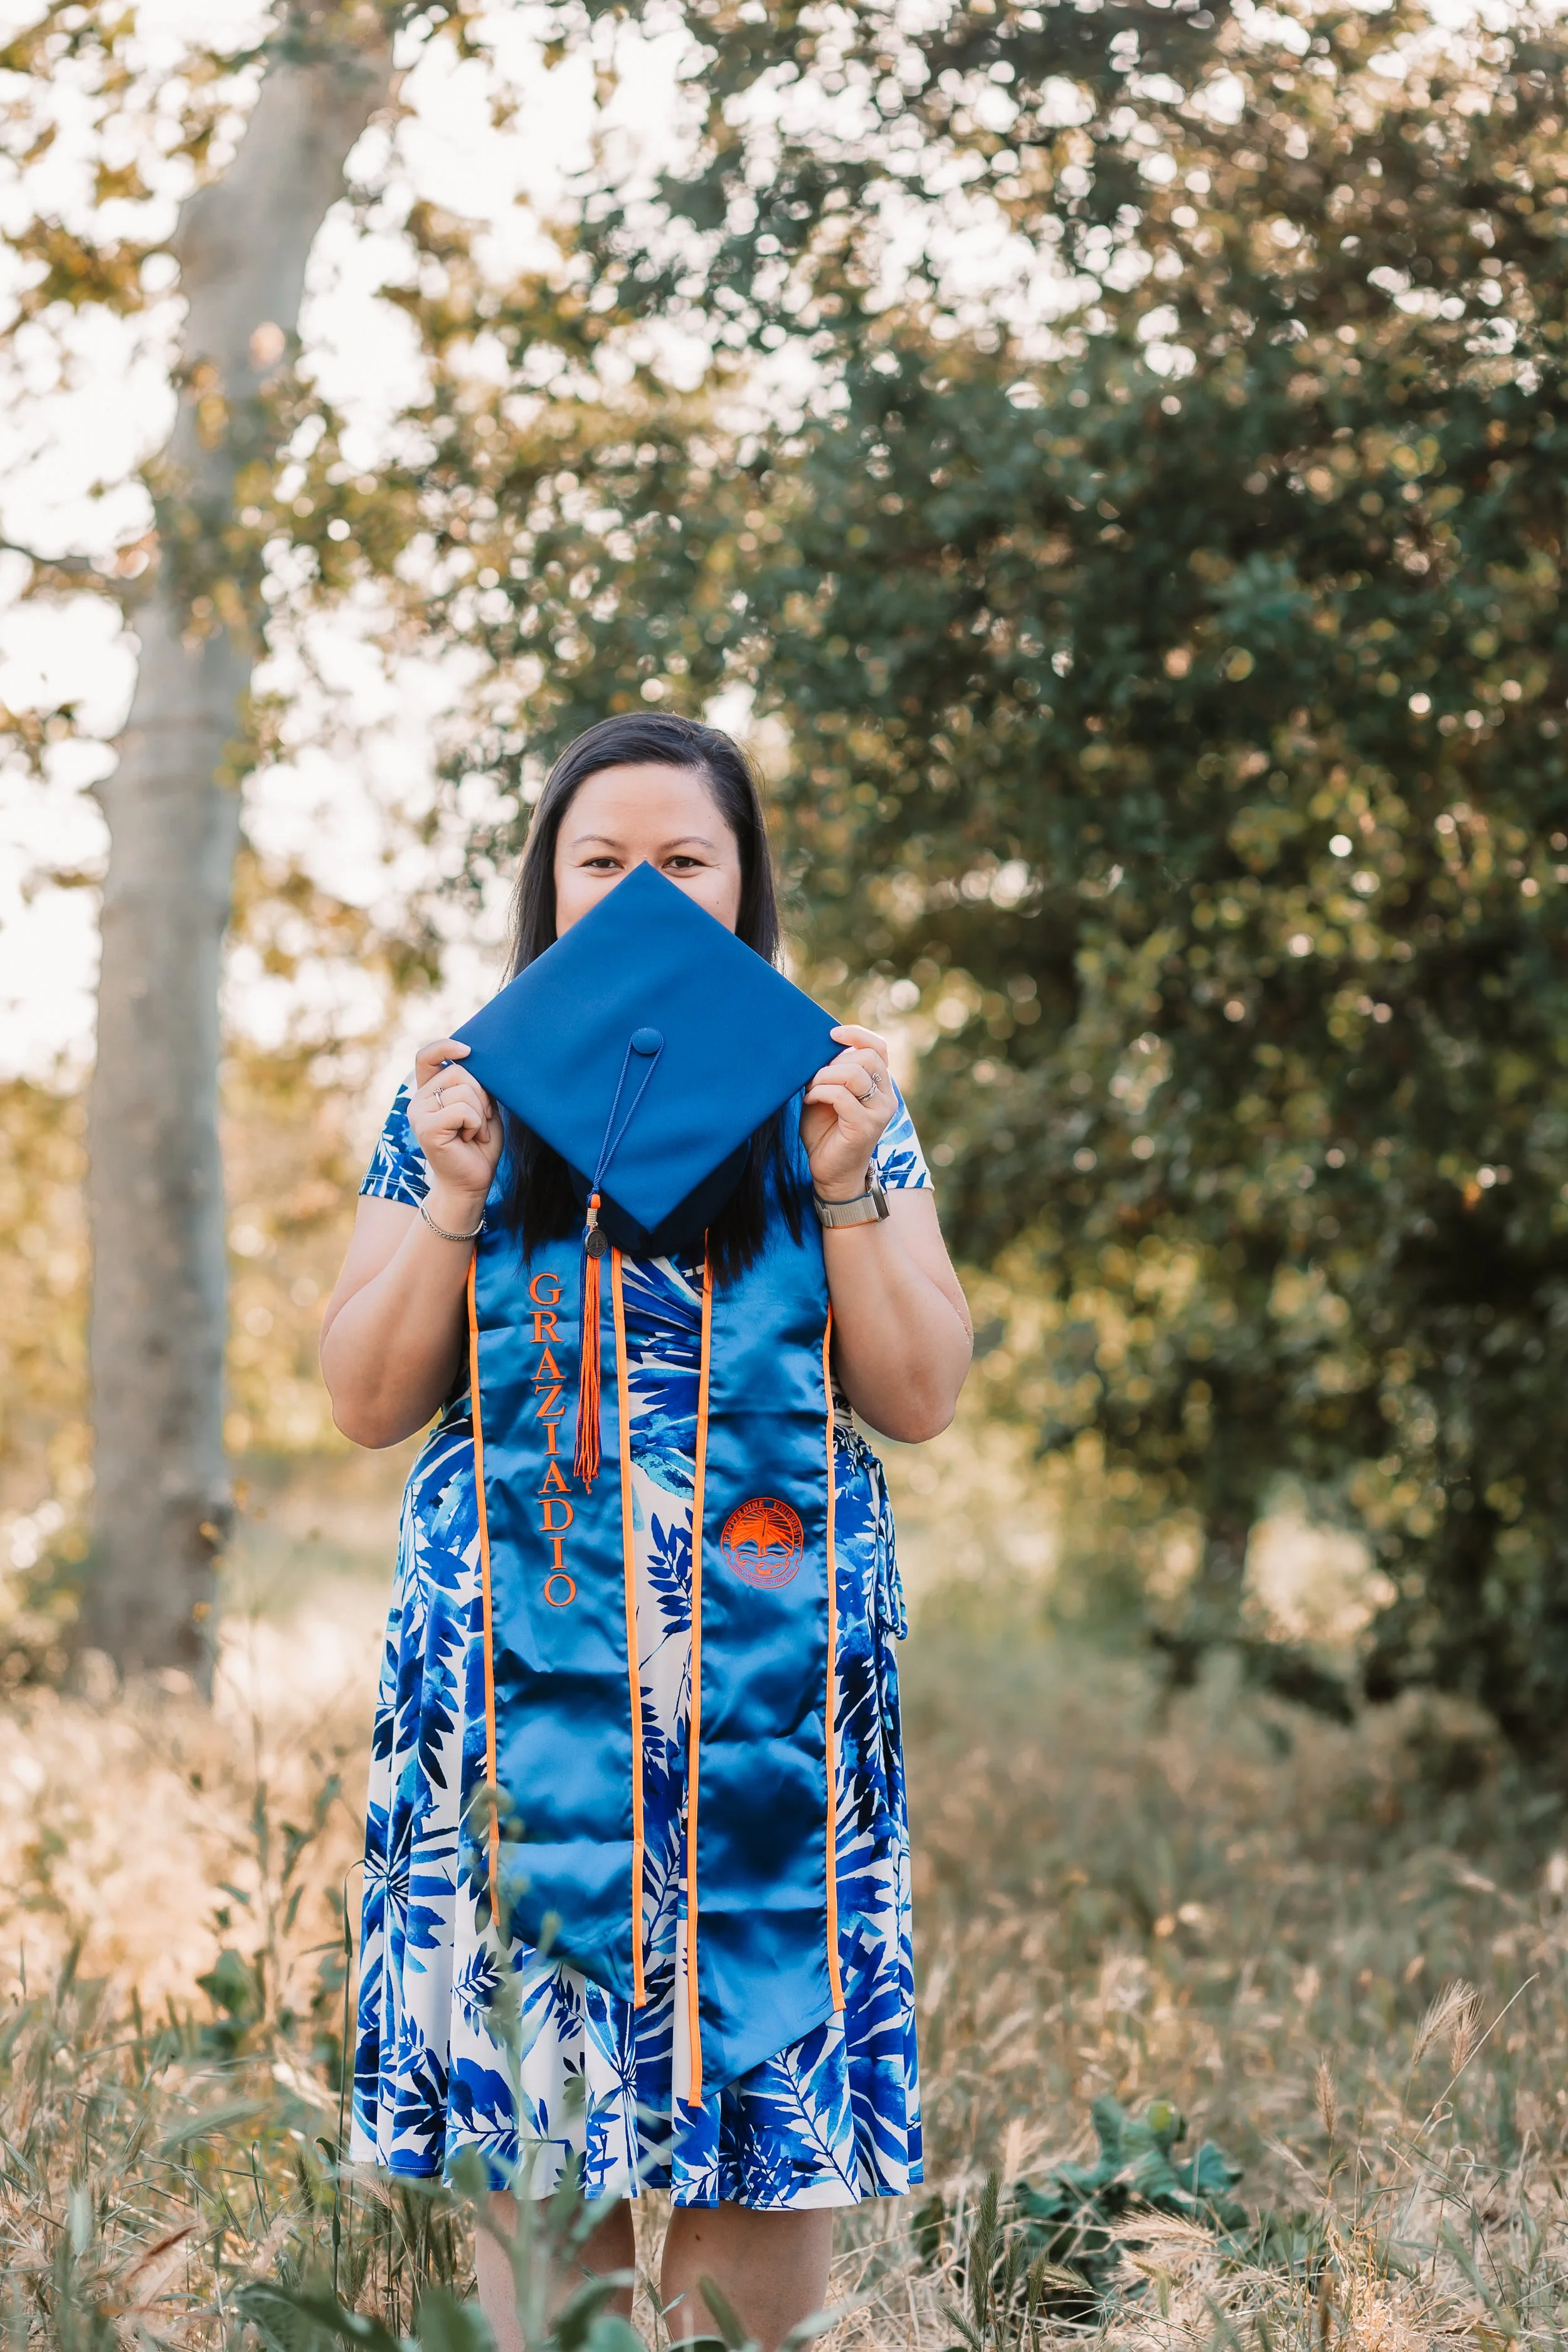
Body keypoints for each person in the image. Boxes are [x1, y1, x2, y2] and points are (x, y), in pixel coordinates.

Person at [320, 713, 972, 2351]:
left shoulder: (835, 1093)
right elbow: (368, 1396)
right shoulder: (461, 1095)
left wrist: (843, 1184)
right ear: (547, 884)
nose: (641, 893)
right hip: (517, 1653)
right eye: (600, 860)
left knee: (766, 2131)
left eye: (684, 859)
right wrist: (456, 1196)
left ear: (745, 882)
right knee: (549, 2149)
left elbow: (917, 1391)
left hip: (771, 1656)